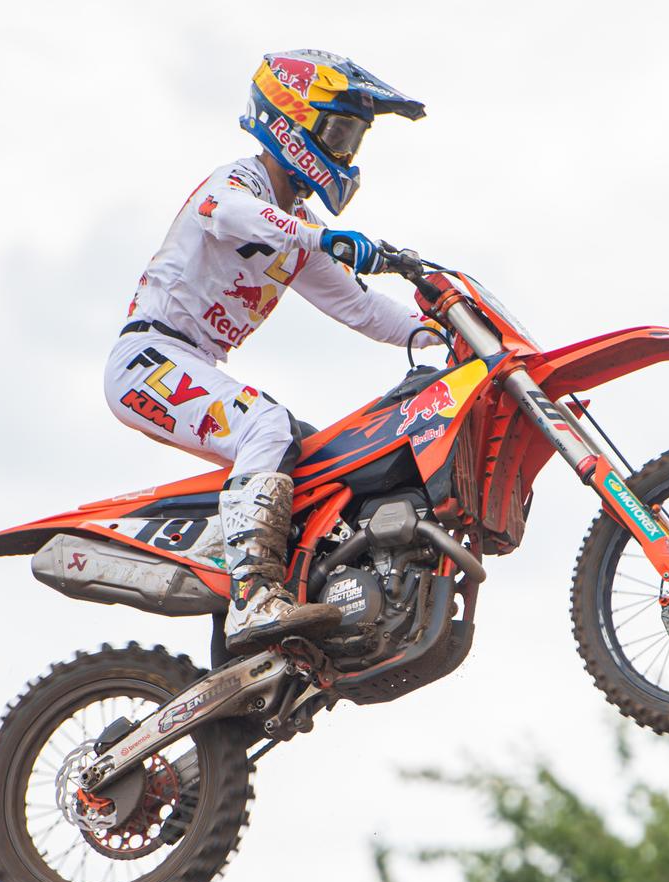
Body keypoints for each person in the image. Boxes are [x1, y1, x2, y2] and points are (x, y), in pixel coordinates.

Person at [104, 50, 434, 653]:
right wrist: (320, 237)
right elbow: (229, 214)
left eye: (352, 137)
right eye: (337, 131)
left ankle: (270, 629)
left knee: (318, 459)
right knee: (267, 425)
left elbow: (362, 308)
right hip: (148, 359)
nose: (344, 150)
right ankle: (254, 596)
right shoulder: (240, 184)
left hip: (191, 364)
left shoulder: (293, 222)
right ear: (290, 119)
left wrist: (442, 332)